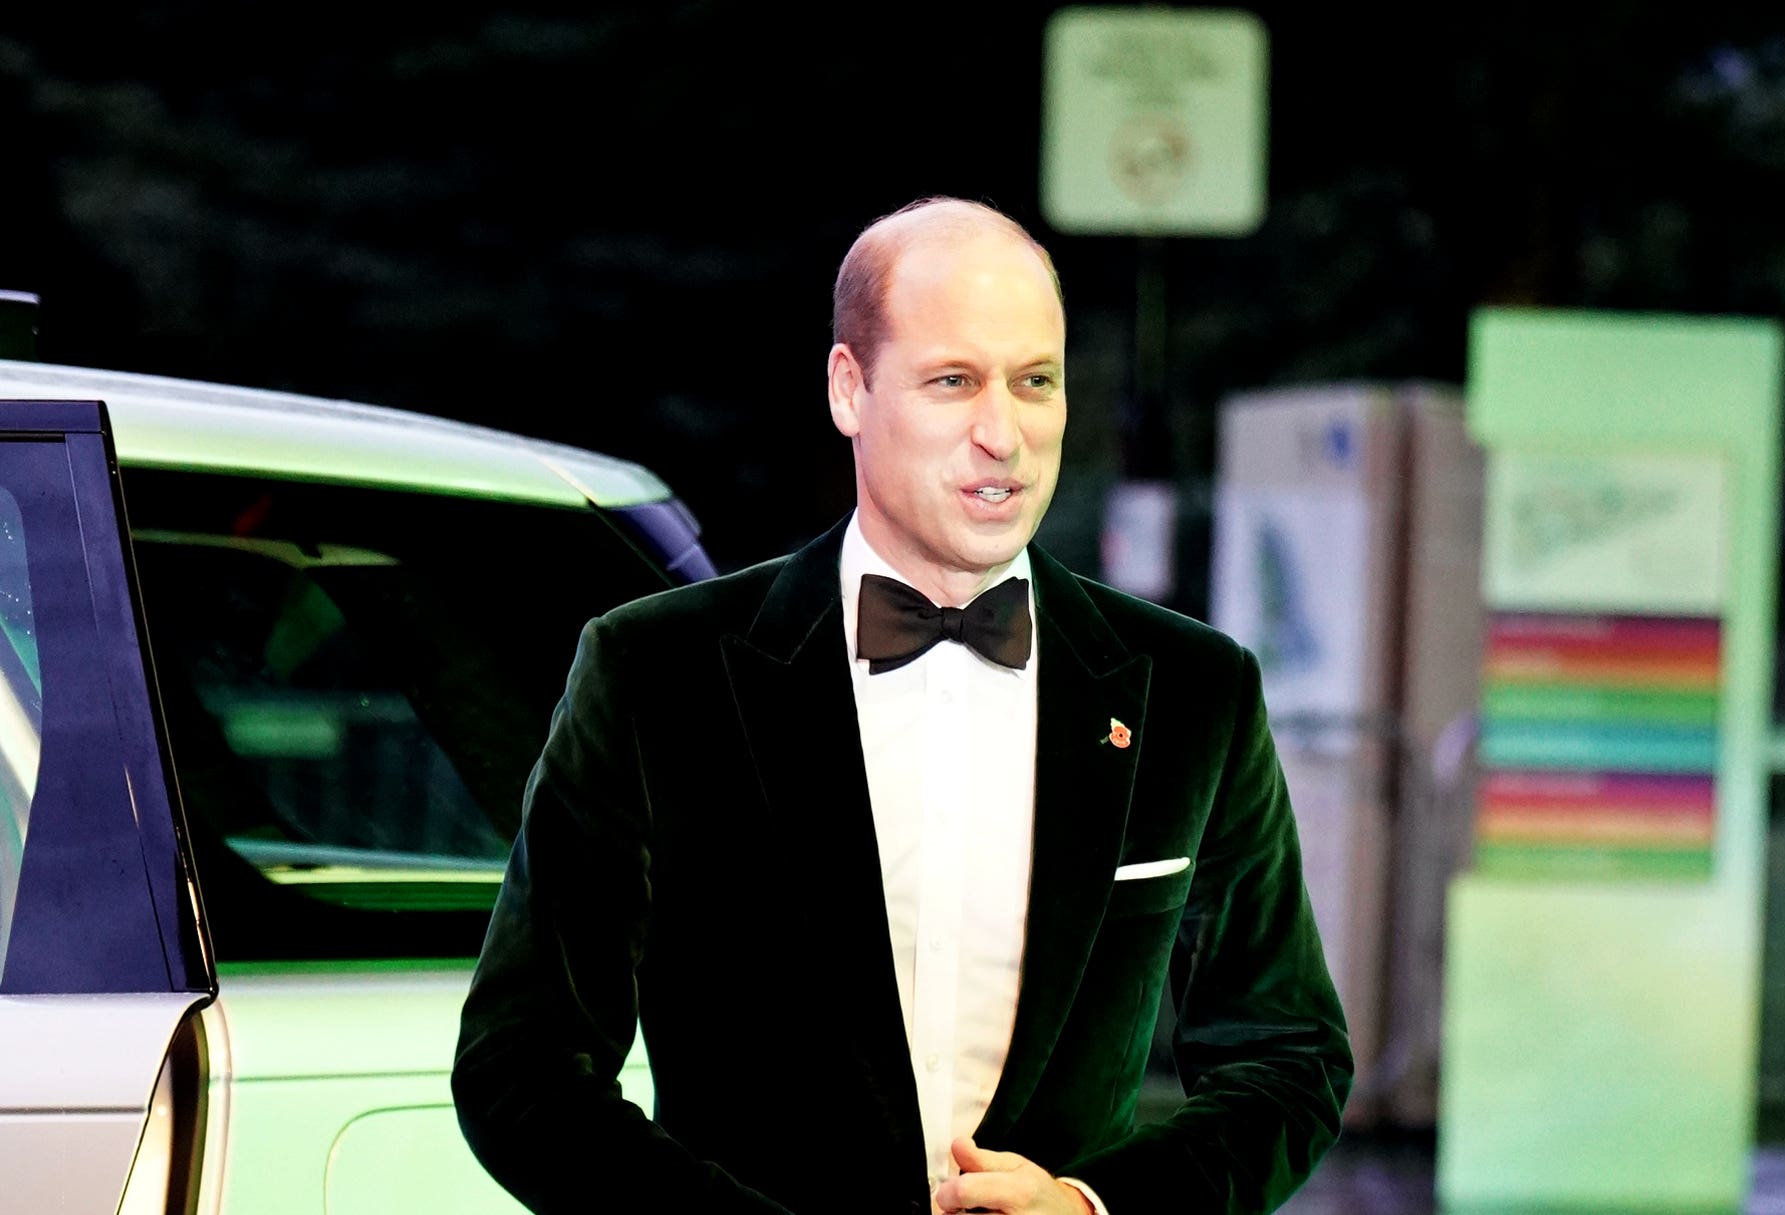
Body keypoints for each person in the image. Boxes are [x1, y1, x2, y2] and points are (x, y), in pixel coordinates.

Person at [452, 197, 1351, 1215]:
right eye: (952, 382)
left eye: (1033, 382)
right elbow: (519, 1071)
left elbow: (1289, 1056)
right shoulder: (656, 673)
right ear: (849, 388)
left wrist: (1099, 1207)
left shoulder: (1193, 690)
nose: (1000, 434)